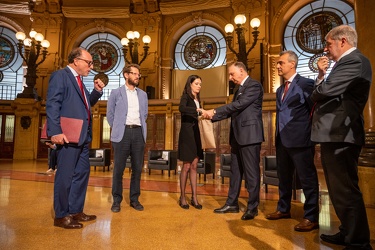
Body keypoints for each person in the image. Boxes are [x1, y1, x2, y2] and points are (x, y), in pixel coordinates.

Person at [311, 25, 372, 249]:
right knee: (338, 190)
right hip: (334, 135)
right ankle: (348, 232)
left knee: (345, 189)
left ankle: (358, 242)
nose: (326, 50)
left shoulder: (355, 60)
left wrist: (320, 86)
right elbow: (325, 90)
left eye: (328, 44)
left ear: (342, 41)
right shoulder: (343, 64)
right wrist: (321, 78)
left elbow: (323, 92)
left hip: (342, 135)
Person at [46, 47, 106, 229]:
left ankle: (75, 211)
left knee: (81, 174)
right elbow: (53, 104)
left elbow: (86, 105)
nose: (91, 66)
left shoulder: (79, 80)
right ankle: (61, 215)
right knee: (65, 177)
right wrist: (55, 131)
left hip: (83, 137)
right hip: (67, 137)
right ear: (76, 61)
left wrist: (95, 92)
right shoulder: (60, 76)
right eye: (89, 62)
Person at [265, 50, 319, 232]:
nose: (278, 66)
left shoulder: (306, 83)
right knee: (284, 178)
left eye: (280, 63)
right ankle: (283, 209)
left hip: (301, 140)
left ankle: (311, 217)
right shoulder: (280, 89)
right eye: (277, 63)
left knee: (307, 179)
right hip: (282, 140)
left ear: (292, 64)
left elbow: (314, 109)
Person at [205, 61, 264, 220]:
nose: (230, 78)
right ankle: (232, 204)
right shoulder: (239, 89)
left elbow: (239, 105)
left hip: (250, 136)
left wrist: (215, 110)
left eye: (232, 74)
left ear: (241, 71)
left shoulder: (254, 86)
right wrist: (212, 116)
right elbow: (233, 109)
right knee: (235, 172)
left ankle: (253, 207)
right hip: (237, 136)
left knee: (251, 174)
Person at [107, 63, 148, 213]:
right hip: (122, 134)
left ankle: (134, 199)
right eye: (135, 74)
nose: (138, 76)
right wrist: (118, 127)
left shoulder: (143, 94)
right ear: (126, 75)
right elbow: (110, 115)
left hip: (138, 133)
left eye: (138, 74)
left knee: (137, 169)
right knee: (118, 169)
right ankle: (116, 200)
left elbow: (144, 115)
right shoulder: (115, 93)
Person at [177, 75, 209, 210]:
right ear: (190, 84)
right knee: (186, 166)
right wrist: (196, 110)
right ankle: (183, 197)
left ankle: (194, 197)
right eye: (196, 83)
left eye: (200, 84)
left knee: (195, 165)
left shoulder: (198, 99)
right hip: (187, 134)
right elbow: (181, 108)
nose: (199, 86)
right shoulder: (186, 97)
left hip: (196, 133)